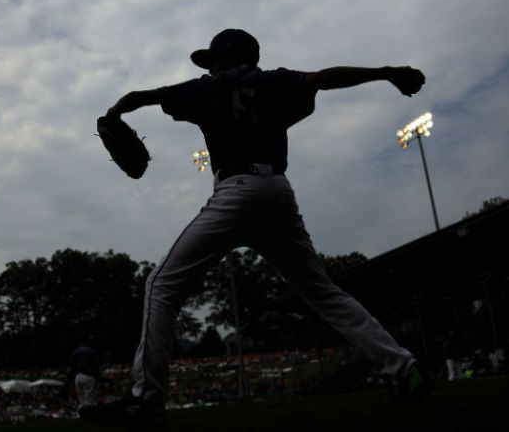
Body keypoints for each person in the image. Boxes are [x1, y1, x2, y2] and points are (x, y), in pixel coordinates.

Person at [93, 28, 431, 427]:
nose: (210, 65)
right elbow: (326, 78)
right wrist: (388, 72)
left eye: (213, 58)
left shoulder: (208, 87)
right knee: (322, 292)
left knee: (160, 286)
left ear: (227, 57)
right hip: (277, 192)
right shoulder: (276, 80)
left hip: (236, 192)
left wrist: (114, 113)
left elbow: (140, 98)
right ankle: (401, 368)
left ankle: (145, 399)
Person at [60, 345, 101, 418]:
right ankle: (88, 414)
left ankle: (80, 413)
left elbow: (72, 366)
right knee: (89, 397)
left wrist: (70, 378)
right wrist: (98, 377)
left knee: (81, 397)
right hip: (88, 375)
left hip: (78, 376)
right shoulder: (91, 354)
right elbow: (96, 366)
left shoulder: (76, 353)